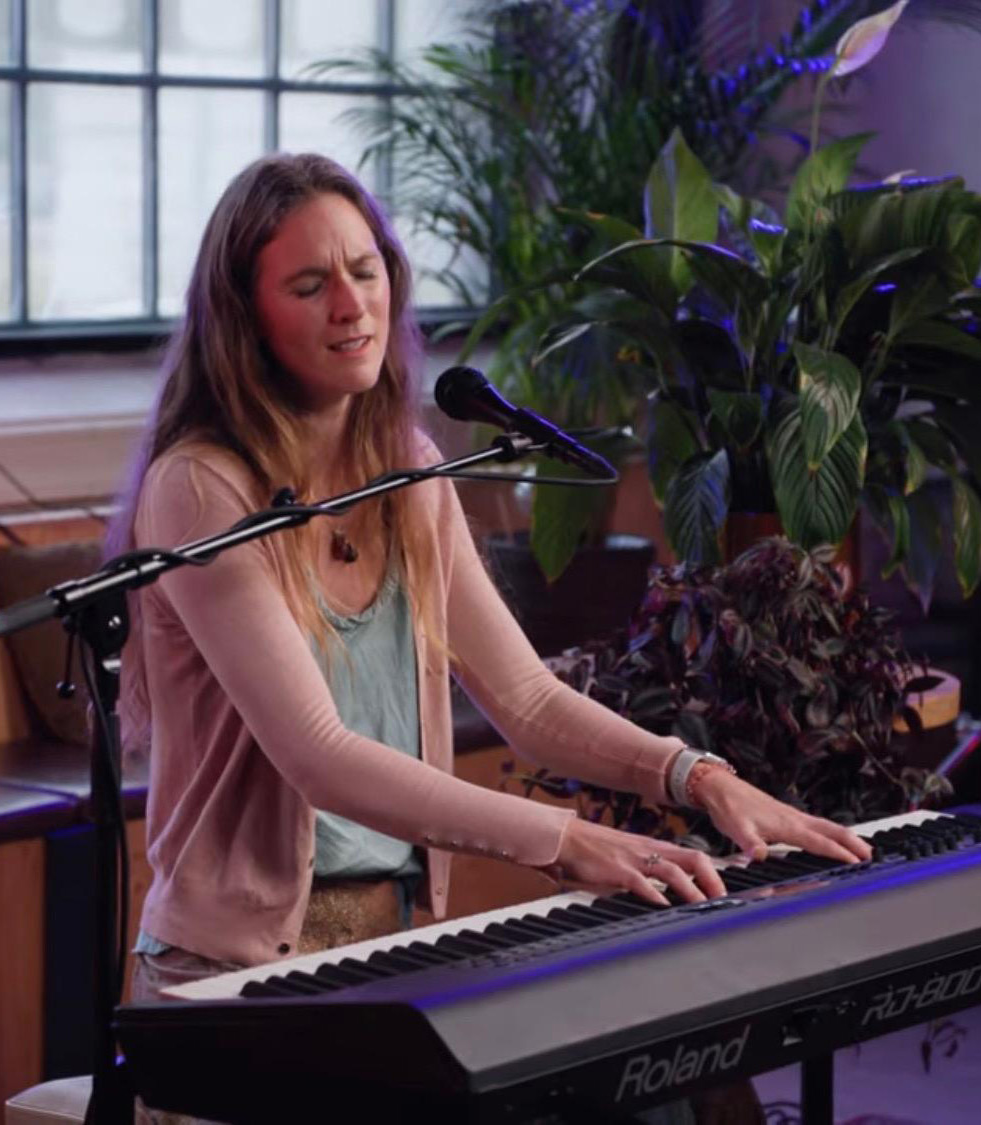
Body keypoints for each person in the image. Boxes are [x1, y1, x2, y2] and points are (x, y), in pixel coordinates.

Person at [109, 153, 870, 1122]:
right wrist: (565, 839)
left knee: (676, 1087)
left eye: (365, 270)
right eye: (309, 284)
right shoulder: (199, 486)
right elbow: (322, 759)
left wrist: (698, 778)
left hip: (391, 947)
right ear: (243, 317)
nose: (351, 305)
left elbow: (526, 700)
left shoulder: (406, 469)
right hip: (233, 972)